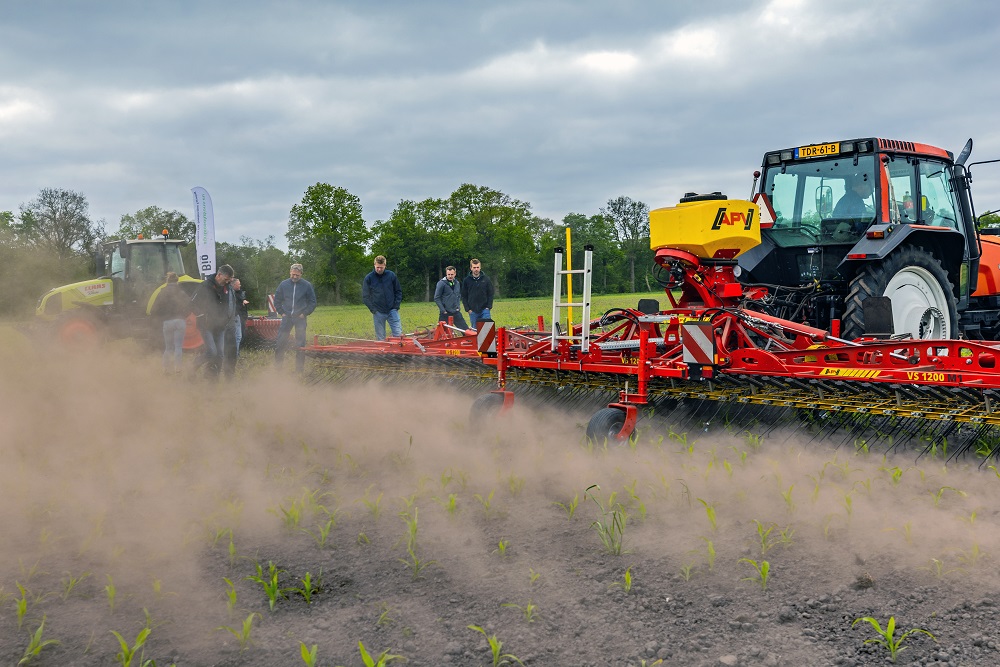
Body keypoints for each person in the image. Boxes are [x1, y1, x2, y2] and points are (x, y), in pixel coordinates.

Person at [190, 264, 235, 379]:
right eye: (226, 279)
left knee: (220, 354)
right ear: (219, 275)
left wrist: (227, 318)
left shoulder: (227, 287)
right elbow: (192, 303)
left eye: (229, 280)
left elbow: (229, 304)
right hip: (205, 325)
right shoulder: (205, 286)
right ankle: (191, 368)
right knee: (212, 352)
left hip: (220, 326)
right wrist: (201, 314)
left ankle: (212, 378)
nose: (227, 282)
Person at [274, 263, 317, 373]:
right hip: (287, 317)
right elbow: (277, 299)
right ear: (290, 272)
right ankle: (278, 369)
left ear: (301, 274)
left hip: (300, 318)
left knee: (300, 344)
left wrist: (305, 313)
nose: (294, 277)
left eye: (297, 275)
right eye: (293, 274)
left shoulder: (307, 285)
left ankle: (299, 370)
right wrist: (281, 312)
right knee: (280, 342)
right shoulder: (283, 284)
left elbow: (312, 302)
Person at [150, 272, 192, 374]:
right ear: (177, 281)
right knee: (178, 346)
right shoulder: (181, 292)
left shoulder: (162, 292)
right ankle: (178, 368)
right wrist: (184, 316)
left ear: (167, 281)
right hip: (180, 321)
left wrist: (161, 318)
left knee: (168, 348)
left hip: (167, 322)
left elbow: (154, 309)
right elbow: (190, 306)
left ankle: (165, 369)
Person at [362, 255, 403, 341]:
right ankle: (383, 355)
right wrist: (373, 310)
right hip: (378, 312)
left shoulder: (391, 276)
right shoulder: (368, 278)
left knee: (399, 336)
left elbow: (398, 291)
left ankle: (398, 354)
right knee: (381, 338)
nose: (379, 269)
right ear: (374, 265)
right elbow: (365, 296)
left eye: (381, 267)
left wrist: (396, 306)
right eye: (377, 267)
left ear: (385, 265)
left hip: (392, 310)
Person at [223, 277, 250, 379]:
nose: (240, 285)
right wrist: (242, 301)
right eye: (238, 284)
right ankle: (235, 355)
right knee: (237, 337)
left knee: (238, 337)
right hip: (235, 318)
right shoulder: (232, 294)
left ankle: (233, 354)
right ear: (233, 285)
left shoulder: (238, 293)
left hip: (238, 317)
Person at [461, 258, 494, 329]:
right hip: (473, 311)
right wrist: (468, 309)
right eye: (474, 267)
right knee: (475, 332)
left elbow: (490, 294)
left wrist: (488, 307)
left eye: (477, 267)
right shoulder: (466, 281)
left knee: (487, 330)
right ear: (471, 268)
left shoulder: (486, 279)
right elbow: (464, 296)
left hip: (485, 310)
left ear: (480, 267)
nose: (476, 269)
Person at [433, 265, 469, 331]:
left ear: (455, 274)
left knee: (465, 330)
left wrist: (458, 307)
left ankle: (469, 340)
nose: (450, 276)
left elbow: (458, 295)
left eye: (452, 274)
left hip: (455, 311)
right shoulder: (441, 283)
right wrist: (443, 310)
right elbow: (437, 298)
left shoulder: (457, 283)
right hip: (445, 313)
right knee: (443, 333)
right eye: (448, 274)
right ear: (446, 274)